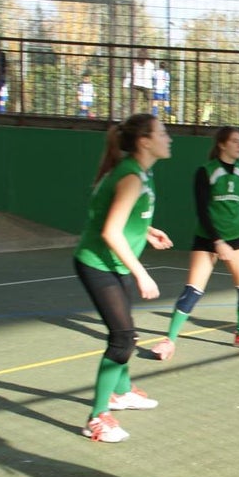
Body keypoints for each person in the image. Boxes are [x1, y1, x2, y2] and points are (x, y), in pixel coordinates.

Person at [73, 114, 174, 443]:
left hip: (114, 263)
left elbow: (122, 216)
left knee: (126, 335)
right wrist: (142, 273)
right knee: (122, 339)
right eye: (163, 133)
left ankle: (121, 391)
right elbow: (111, 231)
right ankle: (97, 417)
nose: (169, 138)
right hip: (97, 263)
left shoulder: (142, 173)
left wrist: (148, 231)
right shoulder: (131, 177)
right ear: (145, 141)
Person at [152, 127, 239, 361]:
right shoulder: (206, 172)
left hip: (235, 238)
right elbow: (201, 210)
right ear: (222, 144)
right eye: (235, 141)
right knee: (193, 291)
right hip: (207, 238)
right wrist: (217, 241)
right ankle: (169, 340)